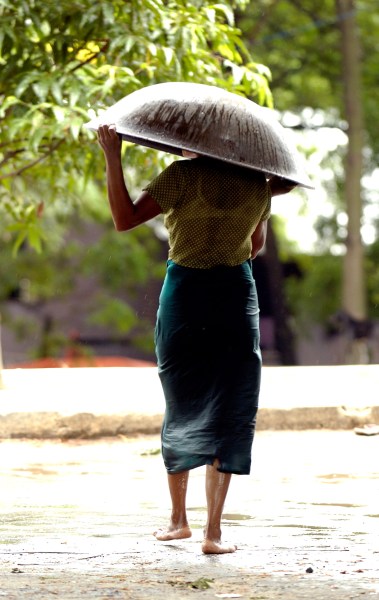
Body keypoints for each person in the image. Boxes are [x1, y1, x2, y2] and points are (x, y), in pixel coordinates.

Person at [97, 124, 297, 554]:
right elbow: (251, 250)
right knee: (231, 406)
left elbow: (123, 219)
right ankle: (213, 534)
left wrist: (112, 155)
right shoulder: (257, 185)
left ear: (196, 142)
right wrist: (252, 206)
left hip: (185, 296)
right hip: (233, 298)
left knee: (182, 399)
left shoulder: (180, 176)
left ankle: (177, 522)